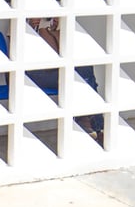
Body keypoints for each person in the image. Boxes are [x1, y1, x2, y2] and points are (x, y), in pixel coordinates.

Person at [28, 17, 105, 146]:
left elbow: (60, 56)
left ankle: (87, 120)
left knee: (84, 70)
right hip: (31, 74)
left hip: (56, 71)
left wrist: (53, 32)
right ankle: (93, 124)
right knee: (84, 80)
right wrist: (32, 30)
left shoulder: (56, 23)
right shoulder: (18, 21)